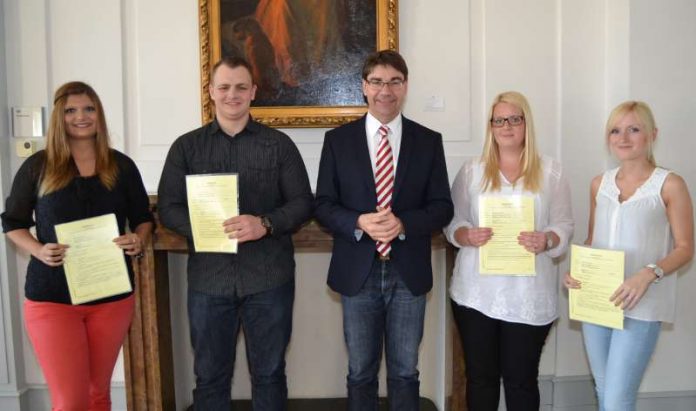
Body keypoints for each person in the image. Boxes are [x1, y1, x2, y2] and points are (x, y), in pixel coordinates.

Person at [157, 56, 312, 411]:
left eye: (241, 87)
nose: (232, 95)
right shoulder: (186, 147)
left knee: (270, 374)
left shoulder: (279, 145)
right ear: (211, 91)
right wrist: (206, 229)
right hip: (209, 280)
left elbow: (302, 202)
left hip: (269, 279)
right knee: (210, 378)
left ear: (253, 92)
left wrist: (264, 224)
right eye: (224, 87)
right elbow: (168, 208)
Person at [315, 50, 454, 411]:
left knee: (405, 372)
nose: (385, 90)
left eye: (394, 81)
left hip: (408, 273)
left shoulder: (428, 141)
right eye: (376, 81)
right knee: (360, 371)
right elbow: (324, 205)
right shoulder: (338, 141)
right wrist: (358, 221)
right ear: (364, 87)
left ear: (405, 86)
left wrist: (405, 223)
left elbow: (442, 206)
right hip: (357, 272)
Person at [1, 81, 153, 410]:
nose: (81, 117)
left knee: (98, 395)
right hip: (52, 300)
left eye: (89, 108)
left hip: (111, 298)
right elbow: (12, 222)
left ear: (99, 114)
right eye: (71, 110)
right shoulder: (38, 166)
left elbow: (143, 218)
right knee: (70, 401)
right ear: (59, 117)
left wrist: (138, 239)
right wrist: (39, 249)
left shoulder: (122, 165)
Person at [444, 91, 574, 411]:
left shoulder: (551, 171)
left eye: (514, 118)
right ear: (491, 127)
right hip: (476, 294)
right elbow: (452, 222)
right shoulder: (472, 171)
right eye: (499, 120)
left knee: (522, 380)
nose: (506, 126)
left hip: (529, 294)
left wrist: (548, 240)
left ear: (526, 123)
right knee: (481, 379)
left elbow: (564, 224)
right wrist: (466, 234)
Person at [564, 101, 693, 411]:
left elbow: (686, 247)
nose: (623, 138)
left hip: (641, 303)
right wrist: (577, 272)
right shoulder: (599, 183)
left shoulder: (670, 184)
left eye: (634, 129)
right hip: (597, 301)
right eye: (615, 131)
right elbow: (593, 239)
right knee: (605, 390)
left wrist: (649, 273)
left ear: (651, 134)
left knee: (618, 398)